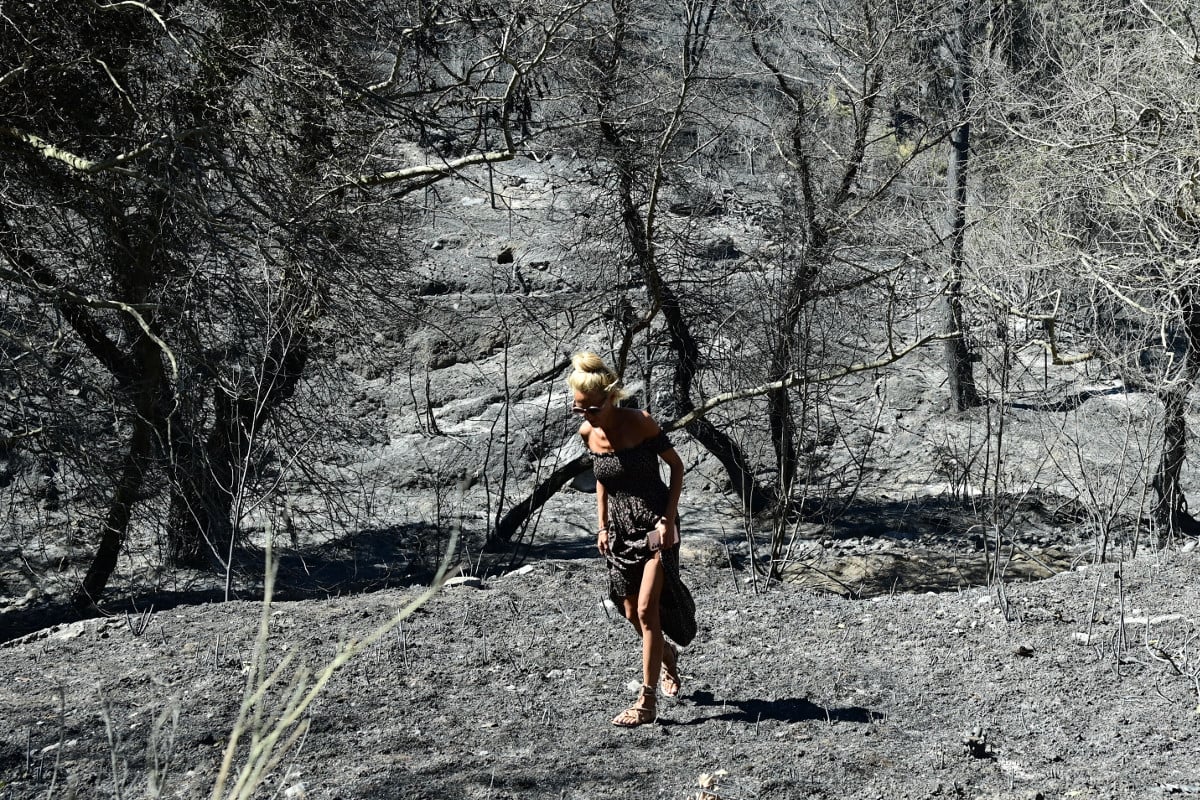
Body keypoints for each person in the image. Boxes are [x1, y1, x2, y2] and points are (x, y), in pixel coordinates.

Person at [567, 351, 697, 727]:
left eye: (590, 409)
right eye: (579, 410)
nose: (585, 416)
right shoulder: (587, 433)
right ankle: (664, 655)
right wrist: (602, 526)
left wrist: (668, 521)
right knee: (628, 612)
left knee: (645, 610)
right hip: (620, 530)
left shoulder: (641, 423)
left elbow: (676, 466)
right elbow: (603, 480)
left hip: (656, 523)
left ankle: (647, 702)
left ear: (609, 398)